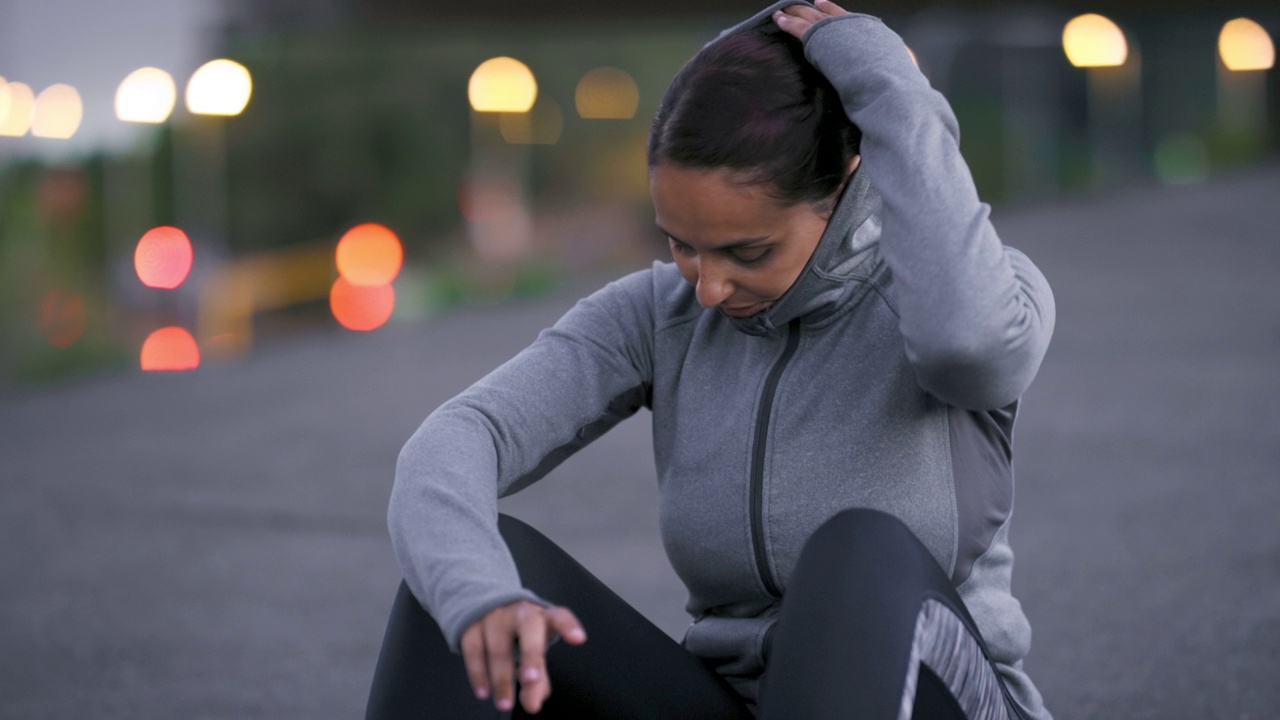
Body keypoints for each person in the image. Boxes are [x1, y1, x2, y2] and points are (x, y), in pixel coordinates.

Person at [366, 1, 1055, 718]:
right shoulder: (659, 315)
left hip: (935, 694)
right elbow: (455, 440)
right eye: (681, 244)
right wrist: (479, 594)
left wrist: (884, 78)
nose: (711, 286)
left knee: (857, 550)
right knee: (465, 577)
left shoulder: (973, 296)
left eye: (747, 251)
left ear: (850, 185)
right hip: (735, 701)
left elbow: (969, 349)